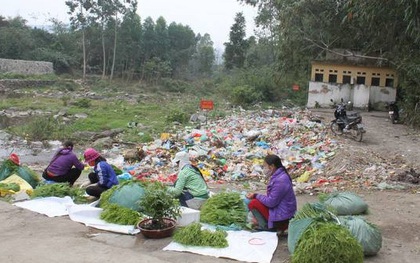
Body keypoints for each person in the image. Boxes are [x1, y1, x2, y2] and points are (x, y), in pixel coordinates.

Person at [246, 154, 297, 232]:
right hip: (283, 213)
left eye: (265, 166)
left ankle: (266, 226)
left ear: (272, 166)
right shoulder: (279, 176)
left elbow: (271, 202)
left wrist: (256, 195)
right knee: (256, 200)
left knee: (253, 203)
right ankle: (267, 224)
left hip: (282, 218)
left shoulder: (281, 180)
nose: (264, 169)